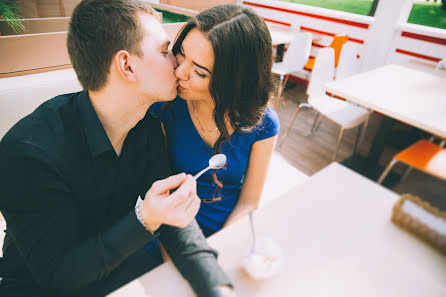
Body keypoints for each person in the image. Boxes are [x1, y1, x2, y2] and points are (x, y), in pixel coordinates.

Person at [0, 1, 234, 296]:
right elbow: (57, 276)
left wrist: (217, 286)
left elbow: (171, 215)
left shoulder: (147, 125)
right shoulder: (28, 154)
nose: (177, 63)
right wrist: (144, 219)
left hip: (118, 269)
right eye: (164, 51)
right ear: (127, 65)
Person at [151, 4, 279, 240]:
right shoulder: (165, 104)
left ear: (233, 83)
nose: (180, 72)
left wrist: (223, 247)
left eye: (200, 72)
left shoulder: (263, 124)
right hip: (171, 231)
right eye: (181, 54)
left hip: (228, 231)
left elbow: (249, 202)